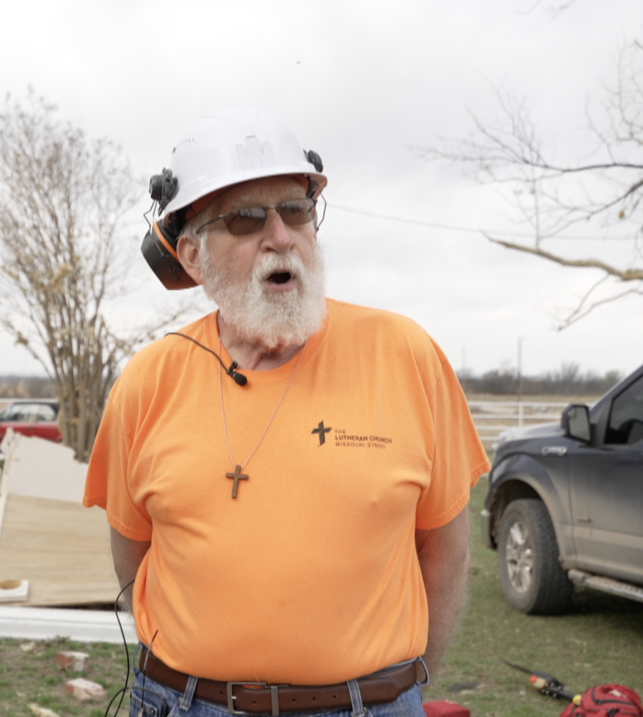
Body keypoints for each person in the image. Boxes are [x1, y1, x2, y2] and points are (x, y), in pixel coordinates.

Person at [83, 108, 489, 717]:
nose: (280, 236)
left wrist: (396, 688)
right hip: (185, 705)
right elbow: (134, 554)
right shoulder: (148, 381)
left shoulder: (406, 355)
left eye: (296, 211)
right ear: (191, 256)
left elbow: (445, 551)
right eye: (245, 219)